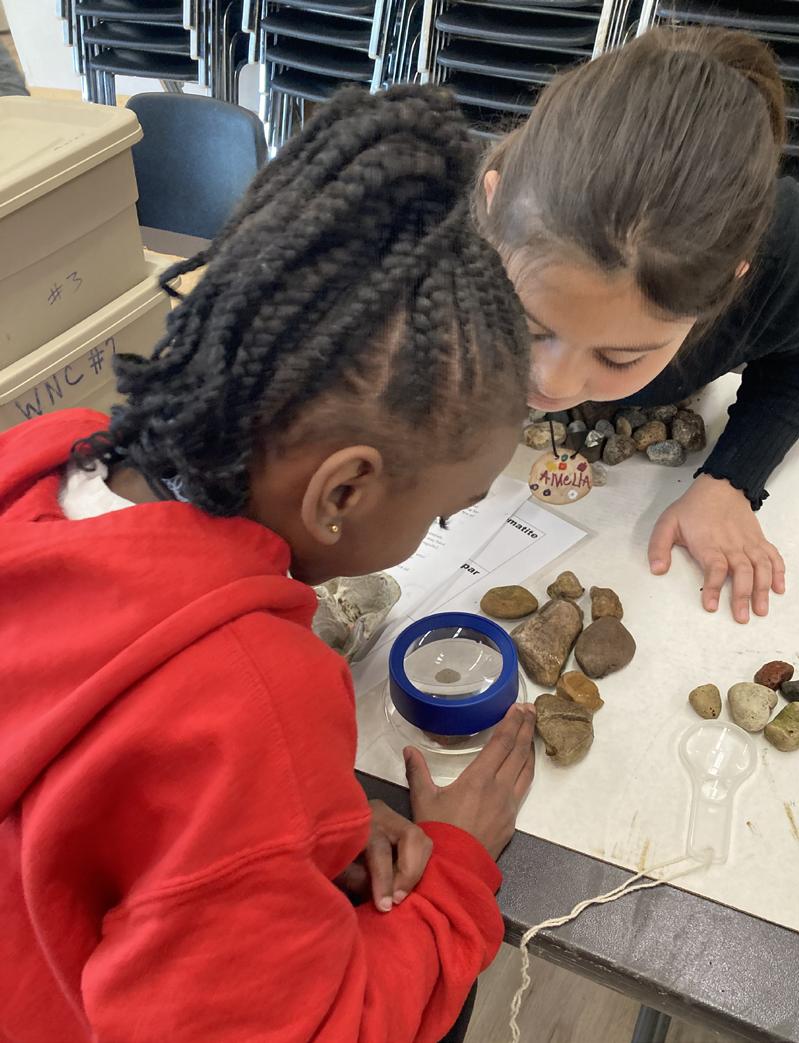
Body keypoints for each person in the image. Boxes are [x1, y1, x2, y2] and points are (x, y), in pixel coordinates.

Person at [0, 85, 536, 1043]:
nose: (439, 528)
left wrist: (296, 824)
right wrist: (457, 867)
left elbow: (116, 801)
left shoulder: (45, 458)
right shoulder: (254, 700)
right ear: (343, 491)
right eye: (443, 512)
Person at [476, 26, 799, 624]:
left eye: (620, 356)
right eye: (527, 324)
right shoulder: (437, 224)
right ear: (493, 204)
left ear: (731, 283)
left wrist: (731, 479)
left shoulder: (791, 260)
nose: (552, 383)